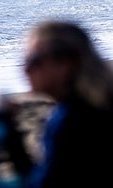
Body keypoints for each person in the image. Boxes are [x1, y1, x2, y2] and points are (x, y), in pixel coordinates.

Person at [23, 20, 113, 187]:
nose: (25, 69)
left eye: (34, 61)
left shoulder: (69, 121)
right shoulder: (99, 104)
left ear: (65, 64)